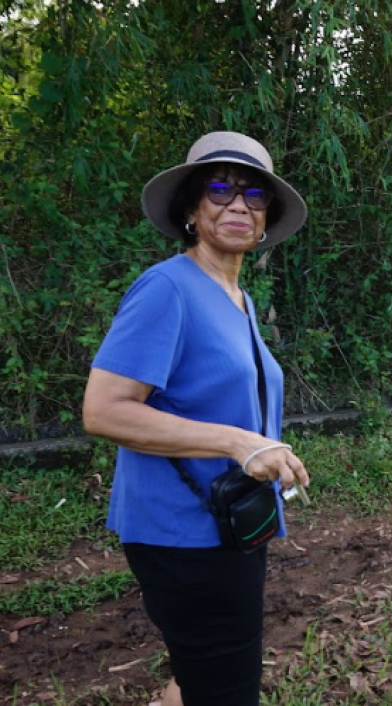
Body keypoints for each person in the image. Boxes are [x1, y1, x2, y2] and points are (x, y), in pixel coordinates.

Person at [82, 131, 311, 706]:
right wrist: (239, 444)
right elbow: (104, 410)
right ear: (191, 210)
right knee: (226, 688)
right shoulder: (168, 288)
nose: (237, 205)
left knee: (200, 676)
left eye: (254, 196)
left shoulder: (238, 298)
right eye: (219, 189)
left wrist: (266, 450)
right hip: (183, 532)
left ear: (266, 219)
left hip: (231, 522)